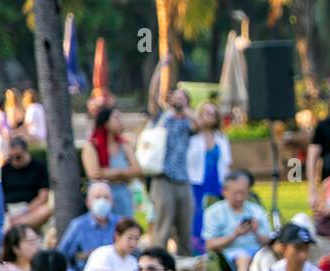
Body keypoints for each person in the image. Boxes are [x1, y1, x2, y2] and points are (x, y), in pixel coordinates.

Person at [148, 85, 197, 256]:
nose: (178, 100)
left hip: (183, 180)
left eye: (182, 97)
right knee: (163, 226)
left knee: (185, 226)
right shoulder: (162, 118)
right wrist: (162, 65)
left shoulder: (188, 122)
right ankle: (156, 261)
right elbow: (153, 95)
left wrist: (185, 109)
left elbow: (201, 123)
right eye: (175, 96)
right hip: (163, 178)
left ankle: (185, 264)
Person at [201, 170, 272, 271]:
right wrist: (235, 235)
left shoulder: (257, 210)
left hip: (258, 252)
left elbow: (269, 241)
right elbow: (210, 244)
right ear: (224, 191)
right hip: (229, 254)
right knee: (243, 257)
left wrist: (256, 231)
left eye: (243, 193)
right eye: (235, 193)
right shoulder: (214, 212)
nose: (239, 197)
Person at [83, 108, 141, 221]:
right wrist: (125, 174)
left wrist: (114, 172)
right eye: (116, 118)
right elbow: (94, 173)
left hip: (123, 197)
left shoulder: (124, 145)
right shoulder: (91, 146)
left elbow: (138, 170)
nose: (120, 121)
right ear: (106, 122)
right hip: (101, 200)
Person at [187, 101, 231, 248]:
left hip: (216, 182)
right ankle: (196, 248)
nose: (210, 116)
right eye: (206, 113)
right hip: (196, 182)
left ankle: (214, 245)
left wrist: (228, 185)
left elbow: (227, 163)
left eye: (213, 113)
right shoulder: (192, 137)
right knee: (196, 216)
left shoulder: (221, 138)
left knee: (214, 213)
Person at [59, 182, 122, 271]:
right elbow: (61, 257)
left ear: (112, 201)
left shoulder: (121, 223)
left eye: (106, 197)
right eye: (97, 197)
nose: (102, 201)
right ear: (88, 202)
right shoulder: (78, 226)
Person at [0, 137, 50, 231]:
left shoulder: (40, 167)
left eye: (18, 157)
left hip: (31, 208)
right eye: (12, 157)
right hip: (9, 209)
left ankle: (16, 226)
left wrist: (25, 211)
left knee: (46, 210)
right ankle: (16, 226)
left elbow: (44, 195)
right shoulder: (3, 170)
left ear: (26, 152)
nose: (15, 160)